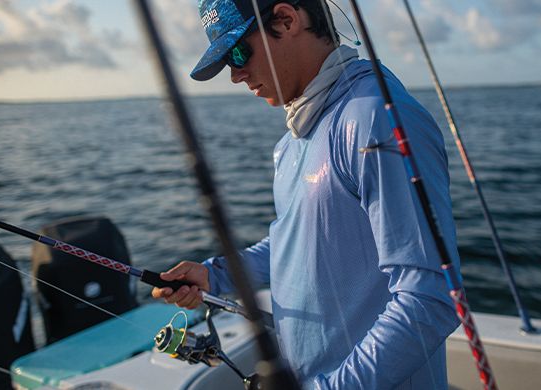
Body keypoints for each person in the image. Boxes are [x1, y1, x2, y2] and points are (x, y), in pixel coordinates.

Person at [152, 1, 462, 388]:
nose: (235, 75)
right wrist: (216, 276)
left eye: (237, 52)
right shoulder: (292, 142)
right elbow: (297, 242)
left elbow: (430, 298)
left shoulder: (374, 118)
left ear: (286, 19)